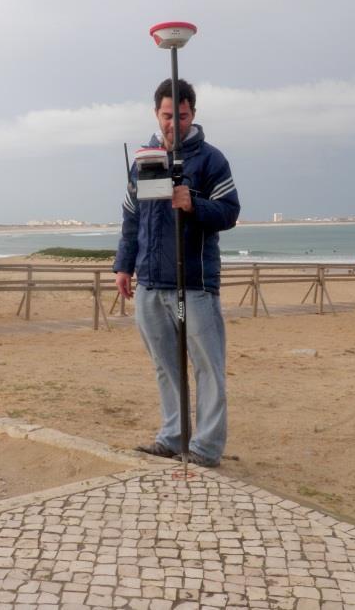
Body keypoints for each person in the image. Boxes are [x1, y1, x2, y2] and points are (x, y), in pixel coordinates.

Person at [114, 78, 240, 467]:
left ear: (193, 115)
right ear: (157, 114)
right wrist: (123, 265)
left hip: (195, 286)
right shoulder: (143, 162)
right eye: (168, 116)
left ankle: (205, 448)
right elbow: (131, 219)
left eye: (182, 117)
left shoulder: (211, 160)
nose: (174, 124)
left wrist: (193, 203)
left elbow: (229, 213)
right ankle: (171, 438)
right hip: (150, 284)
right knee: (165, 367)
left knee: (208, 369)